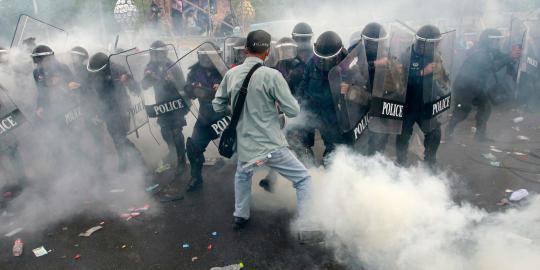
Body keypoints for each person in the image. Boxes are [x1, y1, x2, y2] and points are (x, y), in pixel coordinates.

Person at [212, 30, 315, 239]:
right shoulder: (272, 75)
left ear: (246, 50)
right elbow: (293, 111)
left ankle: (240, 216)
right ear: (267, 52)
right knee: (303, 179)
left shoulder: (231, 75)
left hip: (245, 145)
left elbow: (217, 106)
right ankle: (306, 224)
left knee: (243, 173)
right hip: (270, 145)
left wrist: (233, 109)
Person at [446, 28, 521, 141]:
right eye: (497, 41)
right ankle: (448, 131)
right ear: (489, 41)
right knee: (462, 112)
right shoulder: (479, 51)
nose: (498, 43)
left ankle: (480, 136)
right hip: (465, 86)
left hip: (477, 85)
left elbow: (501, 56)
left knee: (485, 108)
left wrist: (513, 53)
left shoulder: (491, 50)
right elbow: (493, 66)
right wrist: (509, 57)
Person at [395, 25, 450, 168]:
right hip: (408, 103)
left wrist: (444, 91)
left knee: (434, 133)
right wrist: (421, 72)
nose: (437, 46)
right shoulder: (406, 56)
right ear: (425, 43)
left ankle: (430, 162)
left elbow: (440, 78)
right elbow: (400, 81)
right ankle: (401, 162)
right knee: (403, 134)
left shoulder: (435, 55)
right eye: (434, 43)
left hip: (426, 102)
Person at [87, 52, 146, 173]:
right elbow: (93, 92)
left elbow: (136, 88)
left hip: (121, 107)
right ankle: (123, 161)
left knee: (121, 138)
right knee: (115, 137)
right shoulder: (93, 73)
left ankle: (140, 161)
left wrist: (127, 80)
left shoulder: (117, 69)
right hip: (107, 110)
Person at [298, 31, 348, 163]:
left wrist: (349, 87)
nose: (323, 62)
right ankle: (307, 158)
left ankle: (330, 165)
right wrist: (299, 101)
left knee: (333, 142)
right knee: (304, 137)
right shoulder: (312, 63)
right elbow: (304, 82)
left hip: (332, 110)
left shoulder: (347, 63)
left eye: (328, 59)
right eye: (321, 59)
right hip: (311, 107)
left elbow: (359, 80)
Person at [142, 40, 190, 176]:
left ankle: (182, 160)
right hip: (161, 105)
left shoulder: (173, 66)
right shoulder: (150, 67)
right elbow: (144, 86)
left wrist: (173, 81)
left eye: (156, 54)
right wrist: (148, 77)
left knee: (176, 132)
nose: (154, 56)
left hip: (176, 104)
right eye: (152, 54)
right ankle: (173, 151)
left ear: (163, 53)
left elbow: (184, 86)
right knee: (165, 132)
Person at [183, 43, 225, 191]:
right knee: (193, 147)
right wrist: (193, 88)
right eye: (205, 56)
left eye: (211, 56)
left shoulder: (225, 70)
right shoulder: (194, 71)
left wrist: (222, 88)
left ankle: (246, 177)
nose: (208, 59)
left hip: (227, 115)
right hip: (206, 116)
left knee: (240, 147)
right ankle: (196, 177)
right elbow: (187, 92)